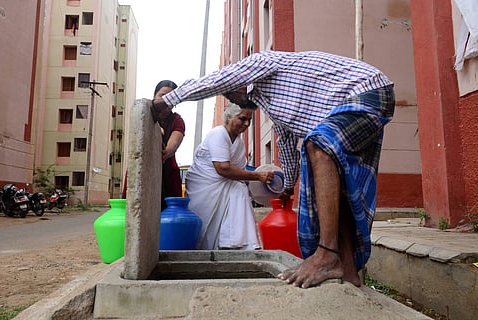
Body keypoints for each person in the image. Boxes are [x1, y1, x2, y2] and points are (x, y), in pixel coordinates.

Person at [151, 50, 395, 288]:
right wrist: (288, 186)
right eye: (239, 115)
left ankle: (327, 254)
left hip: (366, 91)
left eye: (232, 96)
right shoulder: (275, 107)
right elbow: (286, 145)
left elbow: (218, 79)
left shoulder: (261, 61)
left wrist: (170, 100)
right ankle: (349, 270)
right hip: (361, 100)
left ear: (240, 83)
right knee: (338, 180)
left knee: (318, 145)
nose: (235, 102)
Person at [185, 103, 274, 250]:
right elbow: (223, 168)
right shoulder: (218, 134)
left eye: (249, 120)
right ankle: (230, 244)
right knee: (237, 189)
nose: (246, 124)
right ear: (229, 117)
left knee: (239, 189)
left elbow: (240, 172)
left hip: (227, 186)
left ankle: (233, 243)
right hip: (205, 187)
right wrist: (257, 176)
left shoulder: (238, 143)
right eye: (242, 119)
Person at [123, 80, 185, 210]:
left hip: (167, 172)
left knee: (168, 215)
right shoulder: (143, 113)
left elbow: (171, 146)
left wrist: (165, 151)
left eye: (171, 97)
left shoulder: (177, 121)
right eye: (162, 96)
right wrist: (156, 131)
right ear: (154, 96)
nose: (166, 101)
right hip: (141, 167)